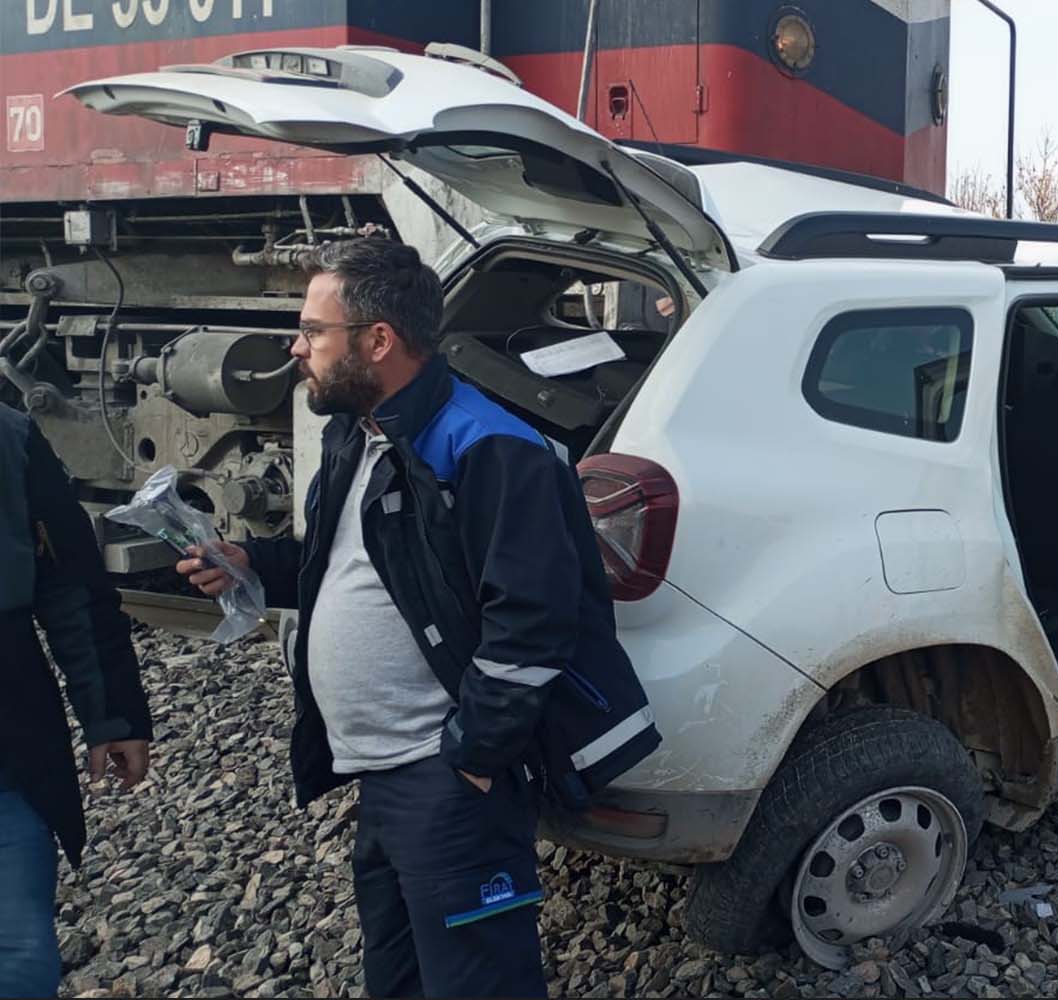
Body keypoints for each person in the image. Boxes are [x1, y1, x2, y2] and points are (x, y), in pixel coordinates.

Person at [176, 238, 660, 998]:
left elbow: (534, 621)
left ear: (378, 340)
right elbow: (355, 562)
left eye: (313, 330)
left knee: (477, 983)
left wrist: (472, 752)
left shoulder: (490, 447)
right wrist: (252, 565)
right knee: (395, 979)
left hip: (446, 779)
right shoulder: (358, 432)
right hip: (383, 775)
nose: (297, 348)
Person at [1, 406, 152, 996]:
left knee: (16, 960)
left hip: (7, 764)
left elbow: (70, 586)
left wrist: (110, 711)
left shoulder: (8, 439)